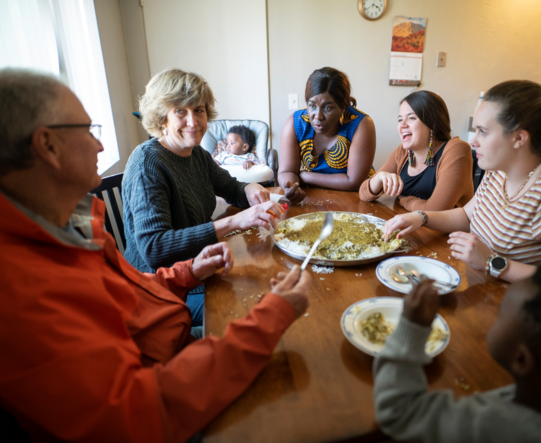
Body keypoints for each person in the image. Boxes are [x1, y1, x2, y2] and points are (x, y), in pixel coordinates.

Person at [0, 68, 311, 442]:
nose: (100, 147)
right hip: (160, 384)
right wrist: (267, 317)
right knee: (272, 326)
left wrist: (187, 272)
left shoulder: (67, 223)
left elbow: (127, 294)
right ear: (48, 146)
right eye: (87, 130)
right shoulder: (21, 292)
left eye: (199, 110)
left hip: (165, 328)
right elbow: (139, 410)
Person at [374, 263, 541, 442]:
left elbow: (399, 412)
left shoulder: (486, 424)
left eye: (500, 315)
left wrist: (411, 329)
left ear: (522, 359)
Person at [384, 80, 541, 282]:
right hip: (484, 287)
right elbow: (466, 215)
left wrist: (493, 263)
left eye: (483, 132)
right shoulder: (499, 171)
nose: (473, 142)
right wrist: (421, 217)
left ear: (519, 138)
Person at [122, 69, 284, 326]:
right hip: (158, 289)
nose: (193, 121)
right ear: (161, 117)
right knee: (254, 305)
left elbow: (231, 188)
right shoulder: (147, 163)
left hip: (200, 267)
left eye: (198, 110)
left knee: (271, 283)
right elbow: (155, 249)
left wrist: (250, 188)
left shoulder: (197, 155)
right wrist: (233, 222)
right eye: (180, 111)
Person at [359, 90, 473, 211]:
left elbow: (434, 211)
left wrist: (404, 200)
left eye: (411, 118)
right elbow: (363, 194)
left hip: (449, 230)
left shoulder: (456, 150)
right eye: (400, 119)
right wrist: (380, 177)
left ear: (432, 123)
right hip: (409, 226)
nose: (402, 125)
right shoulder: (402, 152)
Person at [278, 67, 376, 202]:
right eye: (312, 105)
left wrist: (305, 177)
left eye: (327, 108)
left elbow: (354, 182)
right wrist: (291, 187)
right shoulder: (295, 123)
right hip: (310, 198)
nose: (318, 116)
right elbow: (286, 172)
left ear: (343, 107)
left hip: (354, 200)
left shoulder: (361, 124)